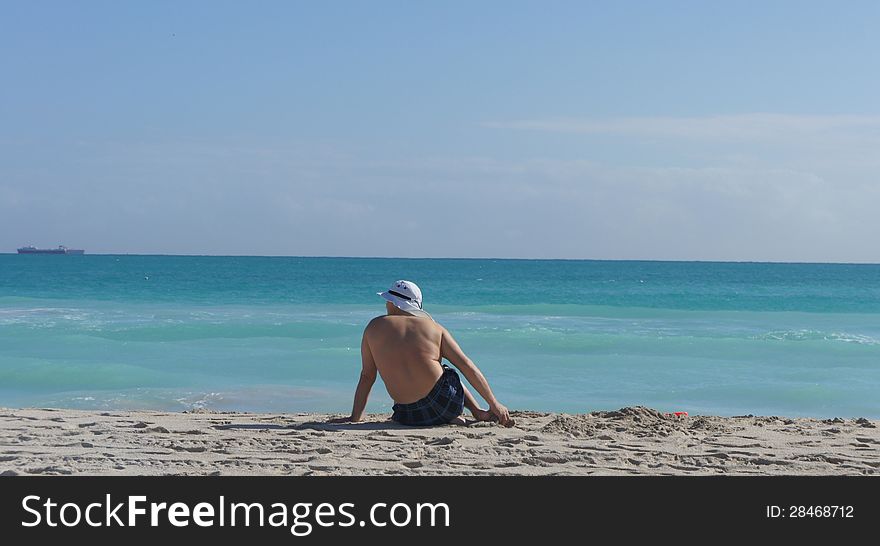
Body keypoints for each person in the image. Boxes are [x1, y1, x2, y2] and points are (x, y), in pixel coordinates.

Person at [332, 280, 513, 427]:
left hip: (406, 415)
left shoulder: (373, 327)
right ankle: (477, 411)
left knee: (438, 374)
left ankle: (455, 417)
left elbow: (367, 376)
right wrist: (494, 403)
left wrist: (355, 417)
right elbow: (466, 366)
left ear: (391, 302)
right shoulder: (435, 328)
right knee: (448, 371)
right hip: (444, 405)